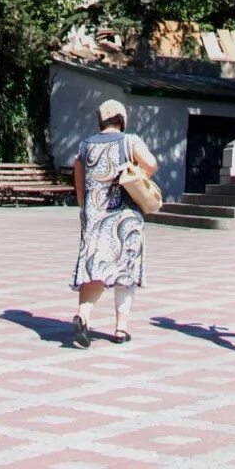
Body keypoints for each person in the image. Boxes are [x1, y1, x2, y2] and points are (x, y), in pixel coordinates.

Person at [68, 98, 157, 346]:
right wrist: (137, 174)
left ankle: (83, 315)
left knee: (94, 269)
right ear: (121, 119)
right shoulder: (130, 141)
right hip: (126, 217)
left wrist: (86, 209)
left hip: (94, 217)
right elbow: (150, 164)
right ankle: (120, 328)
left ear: (101, 120)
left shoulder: (85, 146)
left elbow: (79, 181)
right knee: (125, 272)